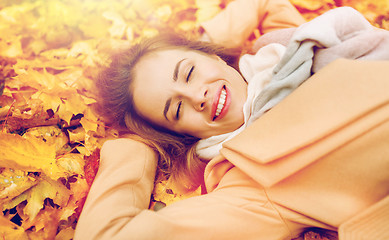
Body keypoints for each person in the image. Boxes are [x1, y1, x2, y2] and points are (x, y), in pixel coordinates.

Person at [74, 5, 389, 240]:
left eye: (188, 72)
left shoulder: (284, 54)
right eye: (176, 110)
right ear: (184, 135)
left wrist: (211, 37)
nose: (196, 97)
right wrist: (137, 147)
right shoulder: (250, 183)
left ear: (213, 57)